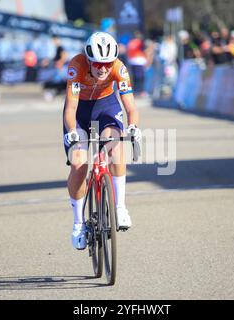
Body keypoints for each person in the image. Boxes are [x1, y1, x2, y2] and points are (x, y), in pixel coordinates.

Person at [63, 32, 142, 250]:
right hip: (80, 111)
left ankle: (120, 207)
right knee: (79, 164)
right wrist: (72, 131)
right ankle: (78, 224)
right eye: (98, 63)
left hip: (106, 106)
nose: (104, 68)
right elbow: (70, 108)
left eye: (107, 63)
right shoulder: (76, 66)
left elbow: (131, 107)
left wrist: (133, 127)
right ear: (88, 59)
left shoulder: (119, 68)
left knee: (115, 146)